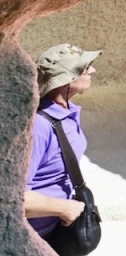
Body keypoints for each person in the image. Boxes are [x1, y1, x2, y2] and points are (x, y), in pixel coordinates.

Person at [25, 44, 101, 247]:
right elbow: (14, 198)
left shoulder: (66, 112)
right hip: (38, 237)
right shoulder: (39, 126)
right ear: (66, 79)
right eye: (85, 68)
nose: (92, 70)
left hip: (56, 227)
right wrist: (62, 208)